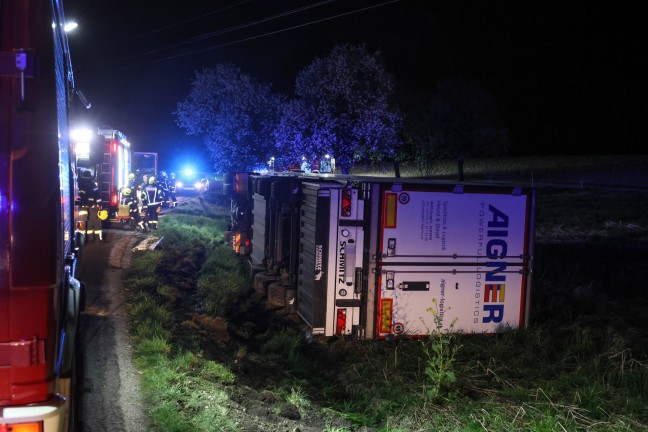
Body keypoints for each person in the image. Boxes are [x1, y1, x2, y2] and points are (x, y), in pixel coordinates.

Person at [78, 170, 103, 241]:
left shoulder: (79, 184)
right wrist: (100, 204)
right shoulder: (92, 184)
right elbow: (97, 195)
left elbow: (79, 196)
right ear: (90, 176)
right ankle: (96, 239)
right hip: (92, 207)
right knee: (94, 222)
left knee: (83, 223)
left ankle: (82, 240)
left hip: (82, 207)